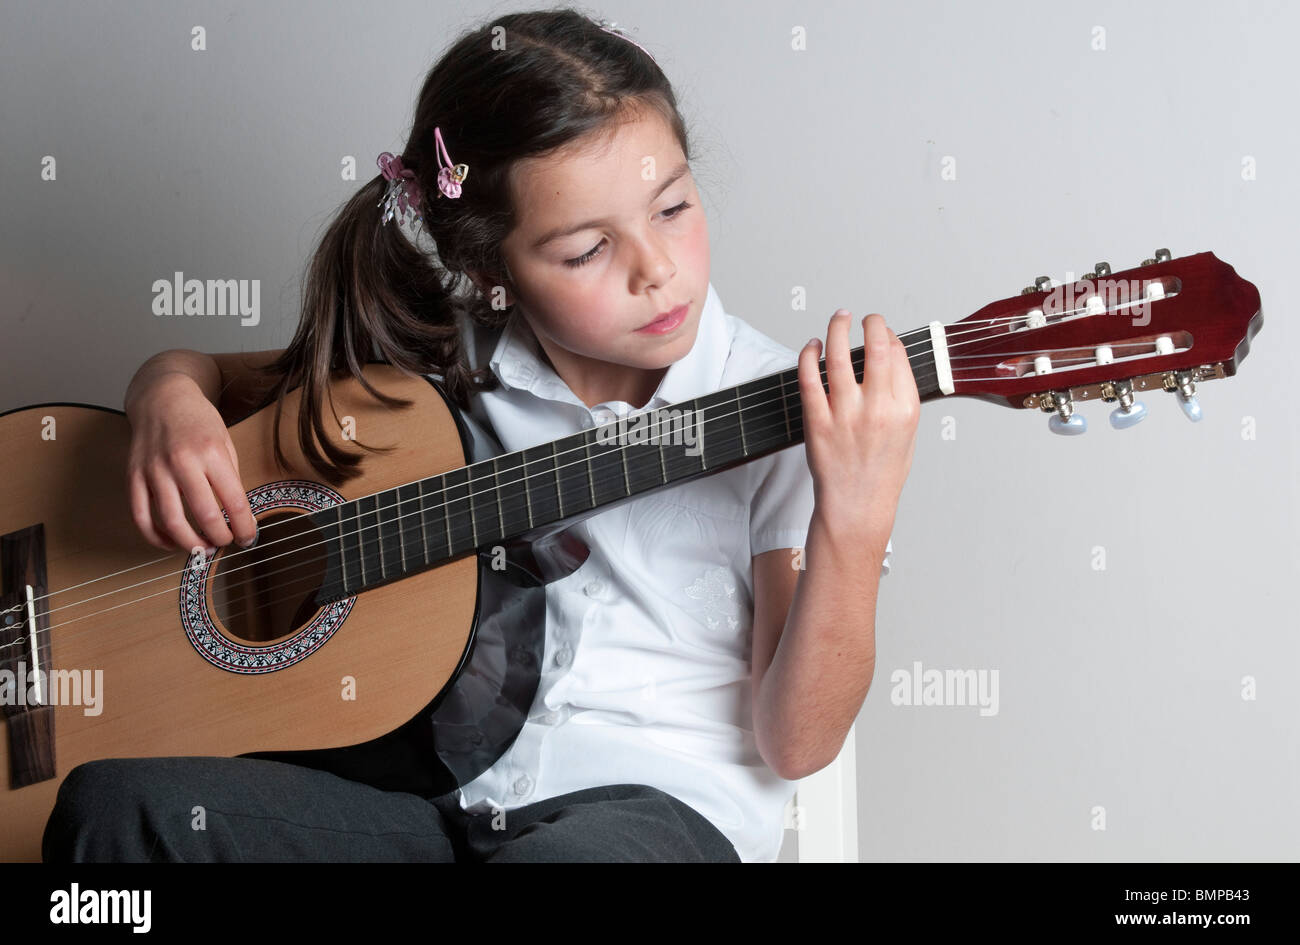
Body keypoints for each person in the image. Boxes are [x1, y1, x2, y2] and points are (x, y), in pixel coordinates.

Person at [42, 7, 918, 863]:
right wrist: (166, 396)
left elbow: (798, 742)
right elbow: (204, 374)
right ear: (490, 270)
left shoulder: (793, 412)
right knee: (116, 809)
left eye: (673, 207)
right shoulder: (435, 365)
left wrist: (856, 514)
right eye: (586, 251)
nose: (657, 269)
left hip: (654, 815)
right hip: (435, 809)